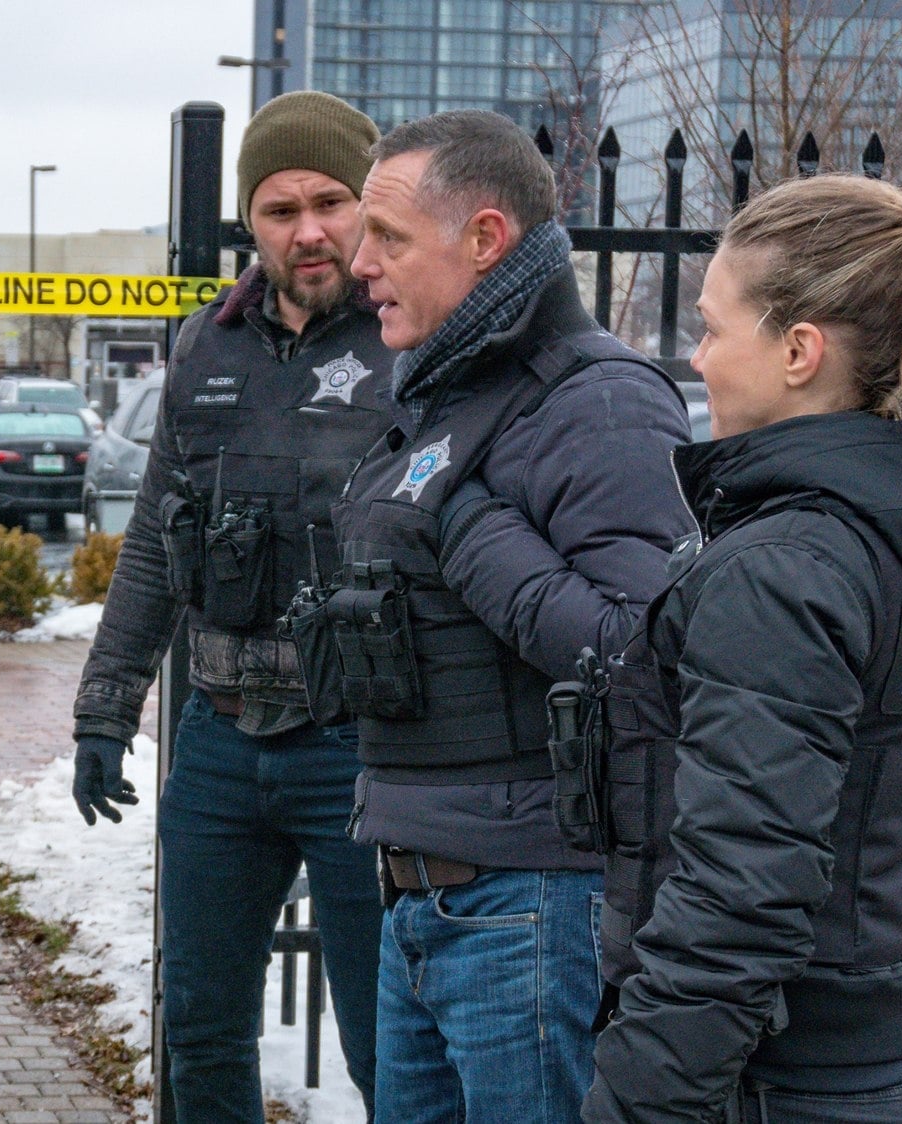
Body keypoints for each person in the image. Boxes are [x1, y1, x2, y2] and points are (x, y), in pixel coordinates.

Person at [584, 176, 902, 1121]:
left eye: (712, 329)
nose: (696, 358)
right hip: (873, 1054)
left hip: (773, 1076)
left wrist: (641, 1101)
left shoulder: (791, 566)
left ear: (797, 351)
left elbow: (737, 895)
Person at [328, 109, 692, 1120]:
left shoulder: (599, 400)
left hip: (529, 903)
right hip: (422, 891)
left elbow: (643, 657)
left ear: (485, 238)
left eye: (388, 236)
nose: (360, 264)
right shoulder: (441, 393)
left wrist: (463, 525)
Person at [70, 90, 395, 1120]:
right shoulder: (202, 346)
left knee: (385, 1044)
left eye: (329, 202)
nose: (308, 231)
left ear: (366, 204)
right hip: (218, 740)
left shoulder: (410, 337)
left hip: (358, 746)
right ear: (250, 221)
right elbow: (153, 546)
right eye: (279, 209)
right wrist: (105, 707)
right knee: (200, 1031)